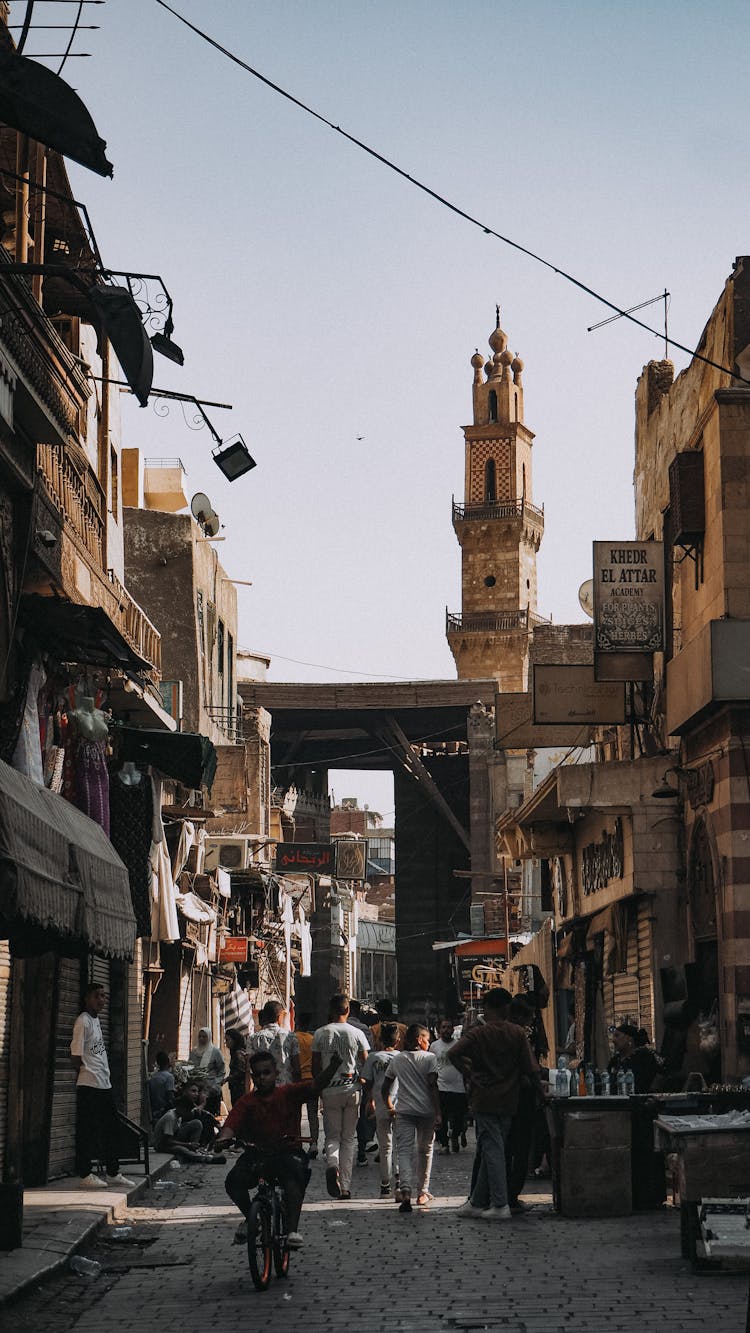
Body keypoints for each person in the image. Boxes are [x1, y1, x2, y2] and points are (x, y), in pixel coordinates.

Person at [217, 1048, 342, 1248]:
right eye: (256, 1074)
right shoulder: (246, 1102)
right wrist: (223, 1139)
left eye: (266, 1073)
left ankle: (292, 1230)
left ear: (276, 1074)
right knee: (233, 1182)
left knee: (293, 1178)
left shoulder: (288, 1093)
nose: (261, 1078)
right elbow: (231, 1125)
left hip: (287, 1151)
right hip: (257, 1154)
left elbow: (315, 1086)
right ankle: (252, 1217)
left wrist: (333, 1066)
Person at [449, 987, 543, 1222]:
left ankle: (500, 1203)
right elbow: (532, 1069)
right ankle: (478, 1201)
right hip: (509, 1099)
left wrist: (469, 1074)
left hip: (485, 1098)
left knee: (492, 1151)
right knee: (494, 1147)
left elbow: (453, 1054)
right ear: (507, 1008)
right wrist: (541, 1094)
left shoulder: (478, 1033)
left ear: (487, 1007)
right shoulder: (518, 1033)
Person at [71, 982, 134, 1190]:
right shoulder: (83, 1022)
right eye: (97, 996)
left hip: (103, 1084)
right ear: (86, 998)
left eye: (104, 996)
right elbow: (76, 1057)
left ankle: (113, 1172)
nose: (102, 1000)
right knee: (87, 1130)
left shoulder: (96, 1021)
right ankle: (85, 1173)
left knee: (111, 1129)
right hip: (89, 1084)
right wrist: (87, 1074)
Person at [311, 993, 370, 1199]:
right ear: (348, 1011)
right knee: (348, 1139)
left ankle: (332, 1164)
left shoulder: (319, 1033)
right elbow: (366, 1063)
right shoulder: (357, 1033)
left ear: (330, 1010)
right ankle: (345, 1187)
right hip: (352, 1090)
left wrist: (319, 1088)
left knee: (332, 1136)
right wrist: (363, 1081)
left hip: (329, 1090)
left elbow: (316, 1067)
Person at [382, 1024, 440, 1213]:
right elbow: (433, 1086)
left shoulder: (398, 1059)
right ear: (419, 1039)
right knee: (425, 1151)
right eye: (427, 1039)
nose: (428, 1042)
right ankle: (422, 1192)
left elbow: (386, 1086)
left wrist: (389, 1105)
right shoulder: (430, 1058)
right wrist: (438, 1112)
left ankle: (405, 1191)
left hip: (404, 1111)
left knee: (404, 1152)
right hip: (427, 1112)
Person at [505, 996, 539, 1212]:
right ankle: (511, 1196)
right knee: (520, 1149)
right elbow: (531, 1068)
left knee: (507, 1150)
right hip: (521, 1099)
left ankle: (507, 1194)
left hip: (504, 1099)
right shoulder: (518, 1035)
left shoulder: (504, 1033)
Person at [362, 1021, 400, 1197]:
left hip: (380, 1106)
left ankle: (385, 1185)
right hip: (400, 1106)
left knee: (385, 1146)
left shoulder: (373, 1058)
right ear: (398, 1040)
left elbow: (366, 1083)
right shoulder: (402, 1057)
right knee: (401, 1145)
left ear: (380, 1039)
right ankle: (400, 1181)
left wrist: (370, 1101)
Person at [153, 1081, 227, 1163]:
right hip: (162, 1144)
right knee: (181, 1149)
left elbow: (206, 1116)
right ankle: (206, 1159)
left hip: (173, 1137)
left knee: (196, 1123)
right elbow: (167, 1141)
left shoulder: (179, 1115)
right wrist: (187, 1145)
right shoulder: (170, 1117)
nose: (190, 1114)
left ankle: (195, 1149)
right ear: (182, 1109)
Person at [430, 1018, 468, 1154]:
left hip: (458, 1087)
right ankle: (444, 1144)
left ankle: (455, 1135)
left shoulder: (459, 1045)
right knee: (442, 1117)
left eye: (449, 1027)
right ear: (439, 1030)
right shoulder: (434, 1046)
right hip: (441, 1087)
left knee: (459, 1117)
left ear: (453, 1029)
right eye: (444, 1027)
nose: (446, 1030)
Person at [250, 1000, 301, 1086]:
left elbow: (249, 1069)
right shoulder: (290, 1036)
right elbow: (296, 1069)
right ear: (279, 1016)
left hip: (262, 1090)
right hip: (285, 1089)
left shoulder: (254, 1038)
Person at [608, 1023, 659, 1093]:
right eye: (613, 1036)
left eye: (617, 1036)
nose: (613, 1040)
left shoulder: (644, 1055)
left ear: (629, 1039)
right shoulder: (615, 1060)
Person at [295, 1013, 319, 1157]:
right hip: (311, 1080)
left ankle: (297, 1142)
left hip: (297, 1080)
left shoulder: (292, 1039)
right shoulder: (313, 1040)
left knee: (296, 1114)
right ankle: (314, 1143)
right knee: (312, 1114)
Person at [188, 1027, 226, 1115]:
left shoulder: (215, 1052)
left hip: (211, 1091)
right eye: (200, 1036)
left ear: (209, 1037)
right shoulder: (194, 1052)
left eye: (204, 1036)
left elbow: (221, 1071)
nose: (201, 1039)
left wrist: (215, 1085)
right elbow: (190, 1067)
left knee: (209, 1116)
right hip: (196, 1091)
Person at [148, 1051, 176, 1122]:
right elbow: (170, 1097)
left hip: (154, 1109)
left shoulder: (154, 1076)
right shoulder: (169, 1077)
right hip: (164, 1110)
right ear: (168, 1062)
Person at [225, 1029, 248, 1106]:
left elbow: (240, 1072)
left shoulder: (238, 1054)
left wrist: (227, 1079)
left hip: (239, 1089)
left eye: (227, 1040)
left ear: (234, 1040)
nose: (226, 1043)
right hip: (236, 1088)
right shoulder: (235, 1053)